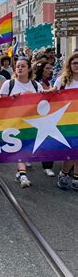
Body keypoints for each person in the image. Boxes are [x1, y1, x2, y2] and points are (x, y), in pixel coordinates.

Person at [0, 57, 43, 188]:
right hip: (14, 122)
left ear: (29, 68)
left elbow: (43, 103)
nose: (19, 68)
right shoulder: (9, 84)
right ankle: (23, 175)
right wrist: (12, 99)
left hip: (31, 123)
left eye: (23, 66)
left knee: (26, 149)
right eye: (18, 66)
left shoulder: (36, 85)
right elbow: (1, 103)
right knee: (19, 148)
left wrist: (34, 98)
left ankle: (20, 172)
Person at [53, 52, 78, 191]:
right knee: (71, 150)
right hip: (67, 120)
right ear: (69, 65)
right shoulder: (62, 81)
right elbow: (53, 96)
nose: (77, 66)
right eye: (74, 63)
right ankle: (64, 173)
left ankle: (76, 177)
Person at [33, 61, 55, 176]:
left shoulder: (50, 82)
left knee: (48, 139)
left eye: (50, 68)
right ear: (42, 70)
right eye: (47, 68)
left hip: (50, 115)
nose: (50, 70)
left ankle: (47, 166)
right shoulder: (36, 83)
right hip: (37, 115)